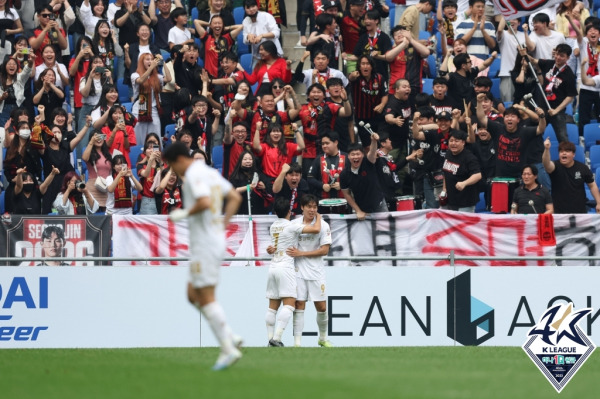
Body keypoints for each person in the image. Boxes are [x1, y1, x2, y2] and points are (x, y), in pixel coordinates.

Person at [164, 141, 243, 371]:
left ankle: (228, 348)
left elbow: (205, 202)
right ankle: (229, 334)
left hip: (204, 243)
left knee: (206, 296)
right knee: (192, 294)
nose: (174, 171)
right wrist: (221, 226)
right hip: (211, 239)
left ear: (178, 160)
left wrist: (184, 212)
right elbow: (235, 198)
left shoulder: (194, 174)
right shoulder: (209, 172)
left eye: (171, 166)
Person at [264, 197, 322, 347]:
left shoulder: (273, 227)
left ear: (275, 212)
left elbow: (276, 245)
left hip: (273, 267)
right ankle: (276, 339)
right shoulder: (291, 226)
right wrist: (319, 216)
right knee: (289, 305)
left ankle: (269, 340)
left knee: (272, 307)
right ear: (289, 212)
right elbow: (316, 229)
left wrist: (271, 249)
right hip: (285, 267)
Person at [284, 194, 333, 348]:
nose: (312, 210)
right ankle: (297, 343)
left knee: (322, 307)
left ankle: (323, 339)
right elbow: (286, 244)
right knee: (299, 304)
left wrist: (301, 253)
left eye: (314, 207)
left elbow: (324, 250)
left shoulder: (323, 225)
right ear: (302, 207)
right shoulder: (294, 224)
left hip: (316, 271)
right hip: (297, 270)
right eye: (309, 207)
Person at [525, 44, 577, 143]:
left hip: (557, 111)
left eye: (562, 56)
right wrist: (524, 54)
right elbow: (533, 60)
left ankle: (566, 156)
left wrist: (556, 111)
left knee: (562, 138)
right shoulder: (550, 63)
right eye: (557, 54)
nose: (558, 57)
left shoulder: (569, 74)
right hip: (542, 107)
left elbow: (570, 96)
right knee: (535, 133)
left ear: (568, 58)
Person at [542, 138, 600, 214]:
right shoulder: (555, 166)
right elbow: (546, 164)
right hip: (559, 211)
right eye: (561, 151)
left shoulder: (583, 168)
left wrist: (599, 203)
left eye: (567, 151)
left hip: (580, 211)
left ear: (573, 154)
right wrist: (546, 149)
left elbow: (592, 185)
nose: (564, 153)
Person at [340, 132, 387, 219]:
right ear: (348, 156)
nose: (355, 157)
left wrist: (373, 141)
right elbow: (346, 194)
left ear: (363, 155)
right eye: (353, 155)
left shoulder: (368, 162)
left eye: (358, 154)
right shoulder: (344, 174)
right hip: (362, 209)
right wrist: (358, 211)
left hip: (379, 205)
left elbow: (372, 152)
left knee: (385, 231)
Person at [441, 129, 481, 212]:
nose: (453, 143)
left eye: (456, 141)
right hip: (450, 201)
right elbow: (446, 173)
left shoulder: (469, 157)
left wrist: (464, 183)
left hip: (465, 203)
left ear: (463, 142)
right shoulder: (448, 154)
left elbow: (478, 175)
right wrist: (444, 189)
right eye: (451, 141)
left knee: (464, 225)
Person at [131, 53, 166, 144]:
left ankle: (156, 155)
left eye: (152, 59)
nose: (150, 61)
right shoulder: (135, 75)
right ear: (142, 62)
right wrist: (151, 68)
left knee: (156, 135)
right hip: (140, 108)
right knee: (139, 134)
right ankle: (138, 154)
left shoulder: (156, 76)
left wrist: (163, 63)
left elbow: (169, 79)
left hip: (153, 109)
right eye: (147, 59)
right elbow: (141, 80)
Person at [193, 14, 242, 79]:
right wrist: (210, 24)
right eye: (215, 23)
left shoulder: (227, 38)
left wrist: (226, 27)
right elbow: (196, 21)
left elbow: (241, 26)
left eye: (219, 23)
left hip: (223, 76)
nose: (217, 25)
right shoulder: (206, 37)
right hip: (209, 76)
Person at [228, 149, 272, 215]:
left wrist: (264, 187)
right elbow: (232, 191)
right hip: (241, 212)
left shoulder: (259, 175)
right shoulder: (234, 176)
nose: (248, 161)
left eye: (250, 159)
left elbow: (271, 190)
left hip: (259, 213)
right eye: (245, 159)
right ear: (240, 161)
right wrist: (248, 187)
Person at [307, 131, 347, 199]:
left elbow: (354, 178)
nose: (324, 146)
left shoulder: (347, 158)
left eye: (327, 143)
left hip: (344, 200)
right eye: (323, 144)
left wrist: (343, 185)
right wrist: (322, 186)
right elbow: (310, 178)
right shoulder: (318, 159)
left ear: (336, 143)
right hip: (323, 200)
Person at [242, 0, 283, 65]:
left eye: (253, 6)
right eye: (248, 7)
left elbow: (276, 32)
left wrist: (262, 36)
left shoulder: (266, 16)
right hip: (258, 57)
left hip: (273, 55)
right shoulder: (245, 21)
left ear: (257, 6)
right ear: (245, 9)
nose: (251, 9)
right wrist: (248, 37)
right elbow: (244, 40)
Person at [82, 130, 113, 211]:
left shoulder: (108, 154)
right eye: (96, 137)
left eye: (101, 137)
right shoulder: (90, 153)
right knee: (94, 216)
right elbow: (84, 158)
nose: (99, 139)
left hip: (106, 188)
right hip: (93, 188)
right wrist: (91, 142)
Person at [496, 17, 525, 103]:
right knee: (508, 103)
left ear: (519, 23)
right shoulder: (504, 34)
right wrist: (504, 14)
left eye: (514, 19)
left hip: (522, 74)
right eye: (509, 19)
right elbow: (500, 30)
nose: (511, 21)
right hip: (507, 74)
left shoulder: (524, 35)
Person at [0, 54, 33, 127]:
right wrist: (2, 97)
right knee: (3, 133)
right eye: (9, 64)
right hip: (3, 111)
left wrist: (30, 63)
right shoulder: (0, 80)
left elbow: (26, 71)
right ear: (5, 66)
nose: (12, 66)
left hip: (18, 110)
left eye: (14, 64)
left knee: (18, 131)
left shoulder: (20, 78)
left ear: (17, 67)